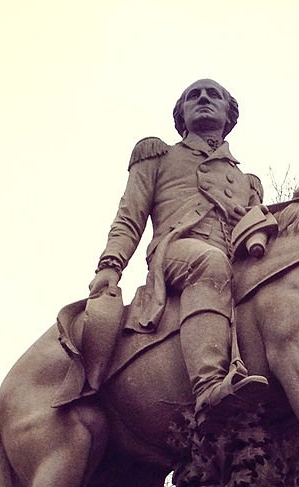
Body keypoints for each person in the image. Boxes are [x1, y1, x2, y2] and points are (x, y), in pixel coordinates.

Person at [88, 78, 270, 417]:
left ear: (228, 115)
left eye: (213, 94)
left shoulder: (248, 183)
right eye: (193, 96)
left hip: (237, 259)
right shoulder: (157, 155)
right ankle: (208, 387)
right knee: (210, 263)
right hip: (177, 252)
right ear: (181, 115)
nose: (203, 98)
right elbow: (129, 216)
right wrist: (110, 266)